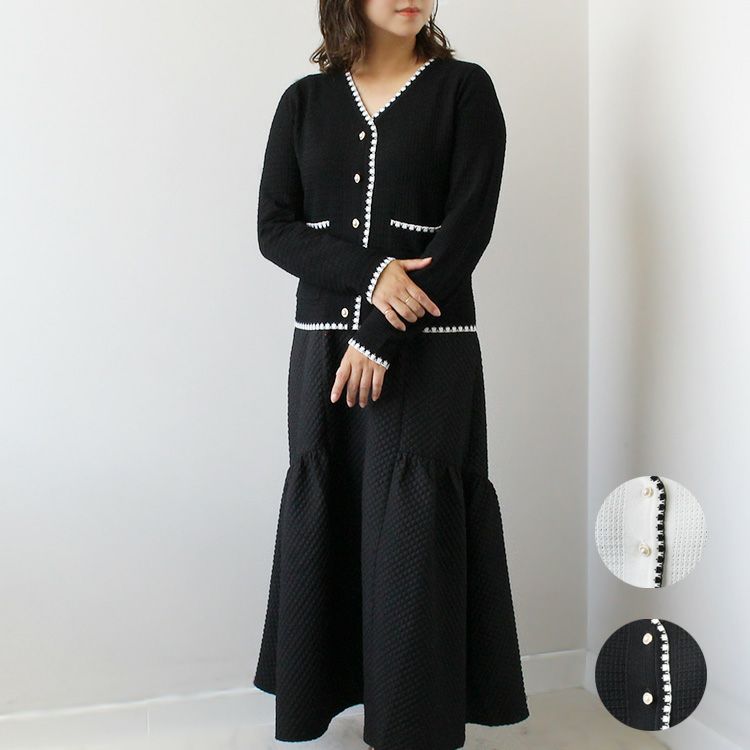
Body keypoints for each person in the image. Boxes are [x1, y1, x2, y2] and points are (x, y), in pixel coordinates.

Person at [253, 2, 530, 748]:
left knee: (413, 527)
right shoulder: (303, 102)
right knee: (335, 510)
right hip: (322, 351)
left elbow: (466, 230)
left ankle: (413, 726)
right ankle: (333, 694)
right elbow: (274, 229)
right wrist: (373, 274)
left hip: (431, 350)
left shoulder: (465, 90)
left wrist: (378, 336)